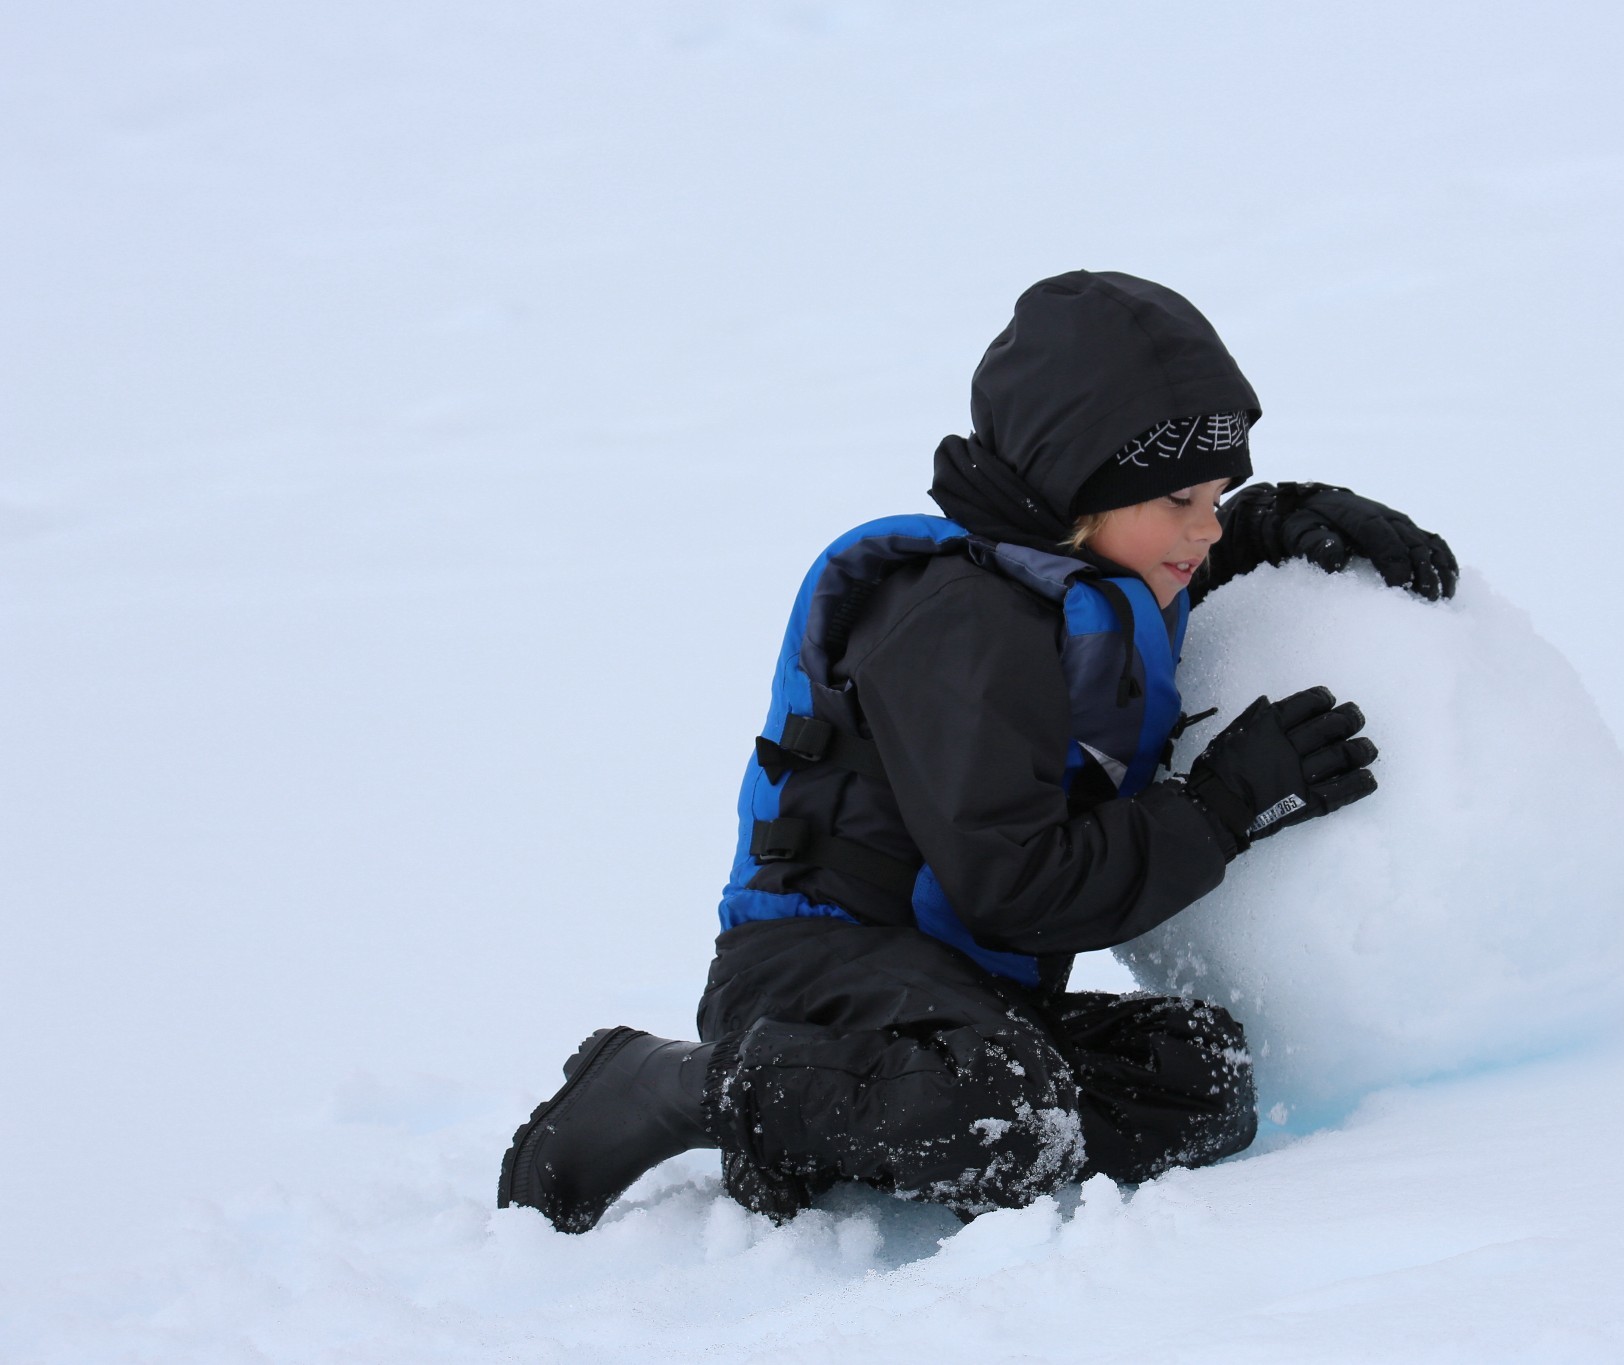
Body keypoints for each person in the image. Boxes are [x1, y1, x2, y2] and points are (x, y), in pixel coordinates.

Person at [498, 270, 1457, 1231]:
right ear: (1081, 485)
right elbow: (1019, 887)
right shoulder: (959, 625)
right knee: (1004, 1110)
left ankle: (853, 1122)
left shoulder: (1083, 574)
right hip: (815, 971)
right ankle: (675, 1085)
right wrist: (1220, 807)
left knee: (1198, 1076)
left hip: (962, 994)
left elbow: (1156, 576)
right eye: (1182, 499)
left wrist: (1284, 519)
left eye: (1221, 496)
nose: (1205, 529)